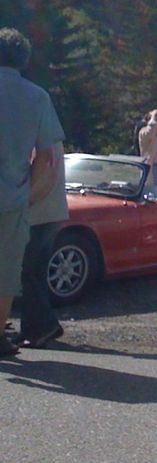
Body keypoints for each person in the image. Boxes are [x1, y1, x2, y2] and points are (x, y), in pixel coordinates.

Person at [0, 28, 65, 357]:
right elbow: (48, 157)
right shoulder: (37, 96)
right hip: (12, 197)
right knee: (8, 269)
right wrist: (30, 194)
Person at [18, 142, 68, 349]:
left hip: (38, 216)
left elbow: (44, 175)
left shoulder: (40, 143)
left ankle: (46, 325)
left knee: (26, 273)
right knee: (36, 274)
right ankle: (31, 331)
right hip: (52, 213)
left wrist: (23, 202)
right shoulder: (51, 140)